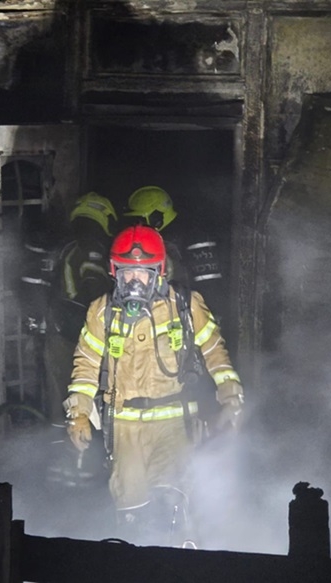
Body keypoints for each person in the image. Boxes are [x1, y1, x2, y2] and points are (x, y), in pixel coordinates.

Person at [62, 224, 244, 546]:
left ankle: (179, 564)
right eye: (126, 273)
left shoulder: (185, 305)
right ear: (114, 272)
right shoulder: (102, 312)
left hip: (173, 425)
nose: (133, 281)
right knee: (131, 514)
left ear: (159, 272)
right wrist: (78, 413)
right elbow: (86, 364)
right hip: (124, 429)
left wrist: (231, 398)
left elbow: (215, 352)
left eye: (142, 273)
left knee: (170, 506)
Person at [20, 191, 118, 424]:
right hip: (81, 340)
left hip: (57, 334)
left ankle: (59, 442)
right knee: (88, 404)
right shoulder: (90, 249)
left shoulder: (63, 246)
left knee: (60, 405)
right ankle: (87, 444)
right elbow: (97, 298)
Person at [123, 185, 228, 323]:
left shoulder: (194, 236)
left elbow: (210, 288)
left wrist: (209, 318)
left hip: (190, 314)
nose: (138, 225)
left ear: (157, 217)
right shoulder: (152, 241)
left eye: (141, 219)